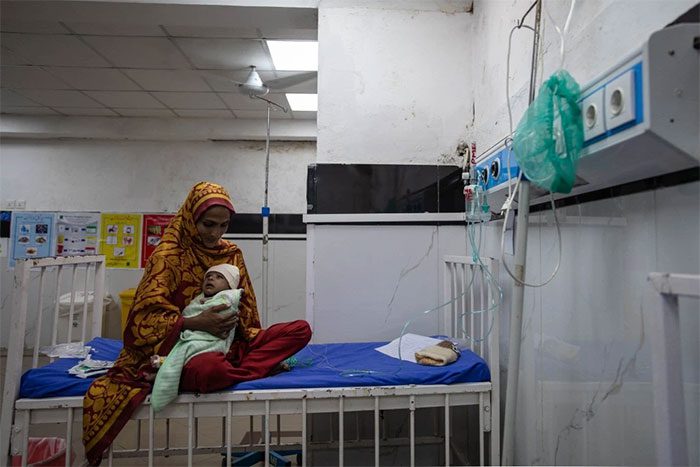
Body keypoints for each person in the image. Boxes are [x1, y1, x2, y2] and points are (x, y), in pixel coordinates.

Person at [82, 182, 312, 465]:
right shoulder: (168, 257)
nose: (215, 234)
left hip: (231, 342)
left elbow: (248, 309)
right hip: (183, 348)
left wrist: (236, 330)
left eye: (224, 225)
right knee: (209, 369)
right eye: (208, 224)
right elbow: (142, 319)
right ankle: (237, 369)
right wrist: (196, 321)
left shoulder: (231, 254)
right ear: (191, 218)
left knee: (301, 330)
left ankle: (236, 366)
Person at [149, 263, 243, 412]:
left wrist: (200, 318)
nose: (211, 279)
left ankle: (167, 371)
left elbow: (222, 313)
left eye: (219, 277)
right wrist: (193, 321)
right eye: (209, 277)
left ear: (229, 286)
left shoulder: (229, 297)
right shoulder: (199, 299)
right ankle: (170, 370)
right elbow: (189, 313)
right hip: (192, 336)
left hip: (211, 341)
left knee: (191, 349)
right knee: (182, 345)